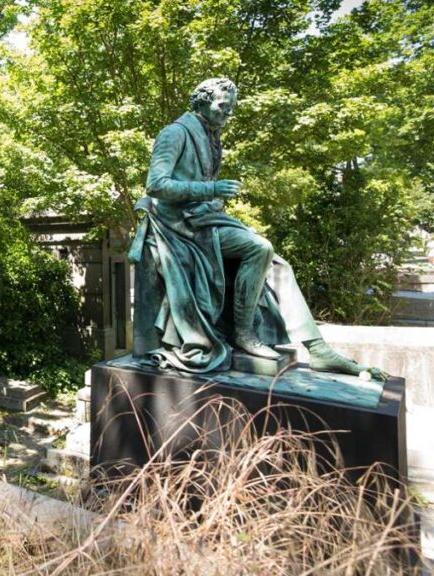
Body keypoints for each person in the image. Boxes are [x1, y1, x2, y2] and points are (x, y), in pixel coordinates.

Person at [130, 78, 385, 379]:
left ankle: (318, 350)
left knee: (275, 263)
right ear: (201, 101)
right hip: (179, 227)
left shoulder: (211, 137)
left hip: (205, 219)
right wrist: (210, 188)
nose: (228, 114)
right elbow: (155, 185)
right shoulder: (175, 133)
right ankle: (243, 333)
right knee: (259, 247)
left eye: (231, 109)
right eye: (223, 107)